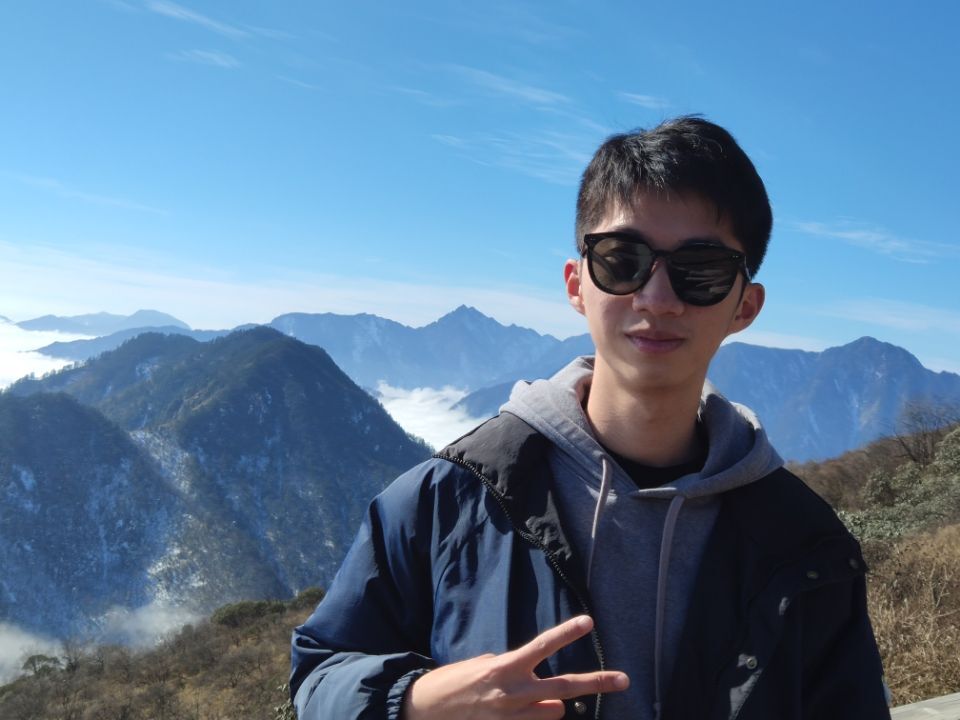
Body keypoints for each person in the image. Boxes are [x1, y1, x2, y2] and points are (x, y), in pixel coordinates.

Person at [290, 116, 891, 719]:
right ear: (577, 284)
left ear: (745, 306)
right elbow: (320, 672)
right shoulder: (449, 499)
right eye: (622, 260)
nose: (656, 298)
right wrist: (415, 702)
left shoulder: (806, 543)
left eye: (701, 269)